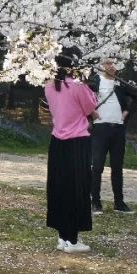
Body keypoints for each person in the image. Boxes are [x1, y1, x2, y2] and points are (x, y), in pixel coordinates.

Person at [44, 46, 97, 254]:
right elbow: (90, 108)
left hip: (57, 141)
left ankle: (62, 236)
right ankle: (73, 239)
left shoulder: (49, 86)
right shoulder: (78, 86)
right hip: (77, 142)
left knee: (59, 187)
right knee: (77, 188)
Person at [87, 58, 136, 214]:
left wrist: (127, 112)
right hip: (100, 128)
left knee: (117, 167)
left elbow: (136, 97)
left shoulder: (120, 83)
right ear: (101, 65)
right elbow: (85, 98)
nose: (111, 66)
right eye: (108, 63)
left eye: (114, 63)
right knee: (97, 166)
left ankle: (119, 202)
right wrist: (90, 114)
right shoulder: (95, 81)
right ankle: (95, 202)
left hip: (118, 129)